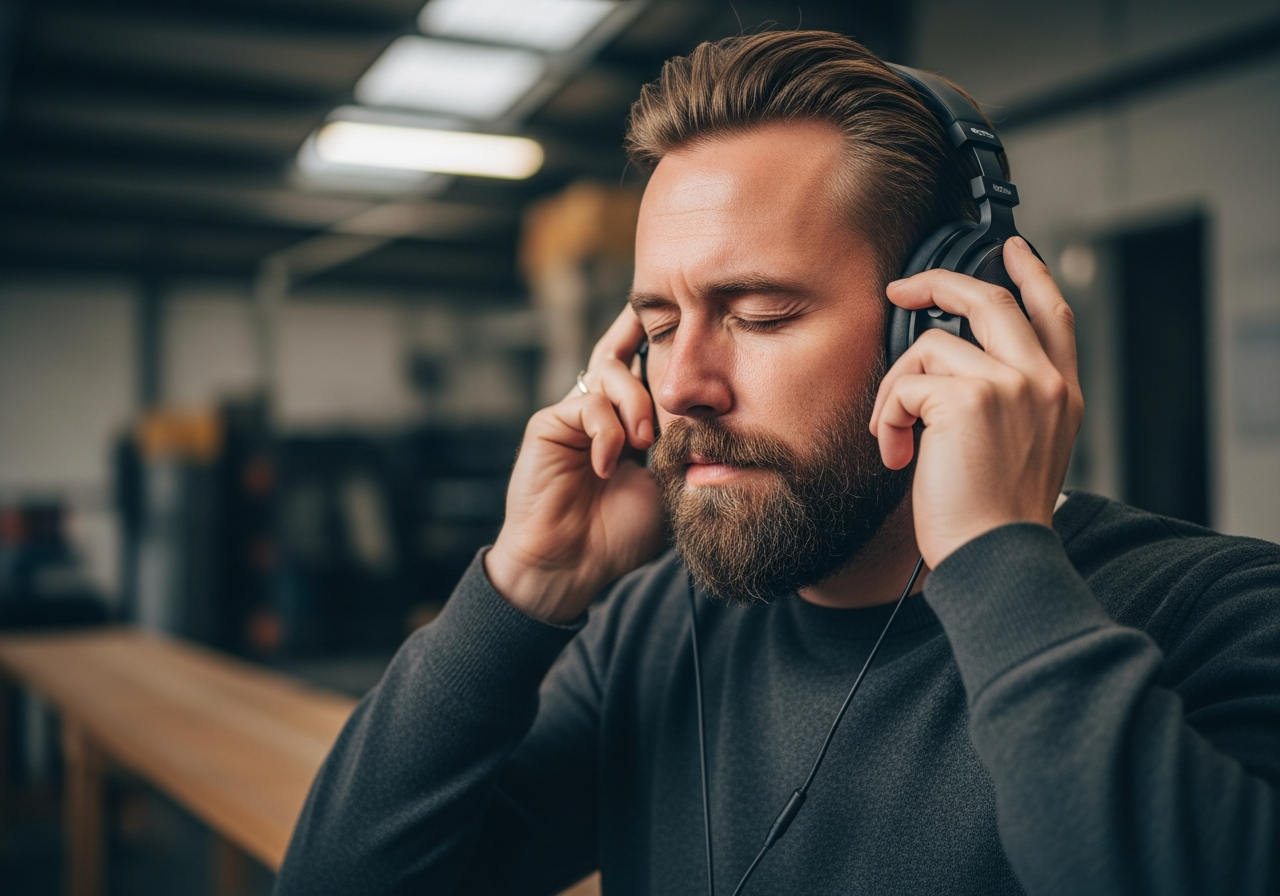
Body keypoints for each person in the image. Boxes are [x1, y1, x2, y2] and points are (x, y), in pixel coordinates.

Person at [275, 31, 1280, 896]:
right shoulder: (649, 632)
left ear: (935, 323)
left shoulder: (1219, 612)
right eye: (659, 325)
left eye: (760, 314)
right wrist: (521, 586)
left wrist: (993, 556)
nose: (682, 385)